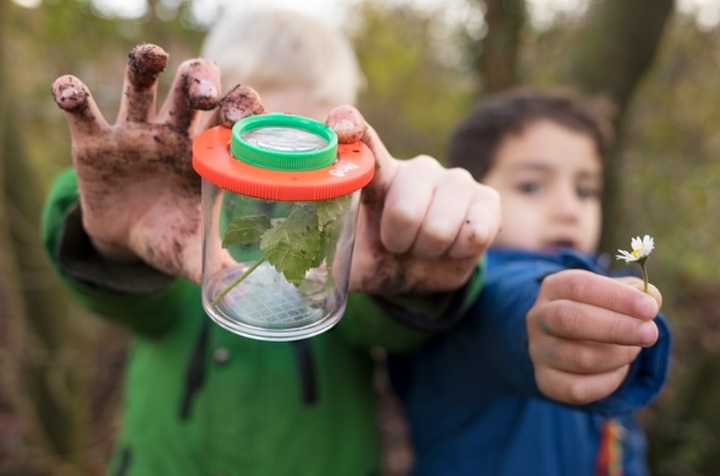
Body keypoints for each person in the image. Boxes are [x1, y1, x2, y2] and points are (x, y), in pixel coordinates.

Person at [41, 9, 501, 476]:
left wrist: (411, 265)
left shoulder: (345, 233)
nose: (279, 175)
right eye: (258, 136)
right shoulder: (185, 231)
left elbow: (385, 326)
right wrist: (118, 243)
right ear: (213, 129)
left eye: (299, 141)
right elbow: (129, 303)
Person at [387, 88, 672, 476]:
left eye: (585, 190)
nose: (569, 209)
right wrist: (546, 321)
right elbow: (510, 305)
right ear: (469, 195)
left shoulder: (604, 299)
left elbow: (624, 449)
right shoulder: (453, 302)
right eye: (532, 186)